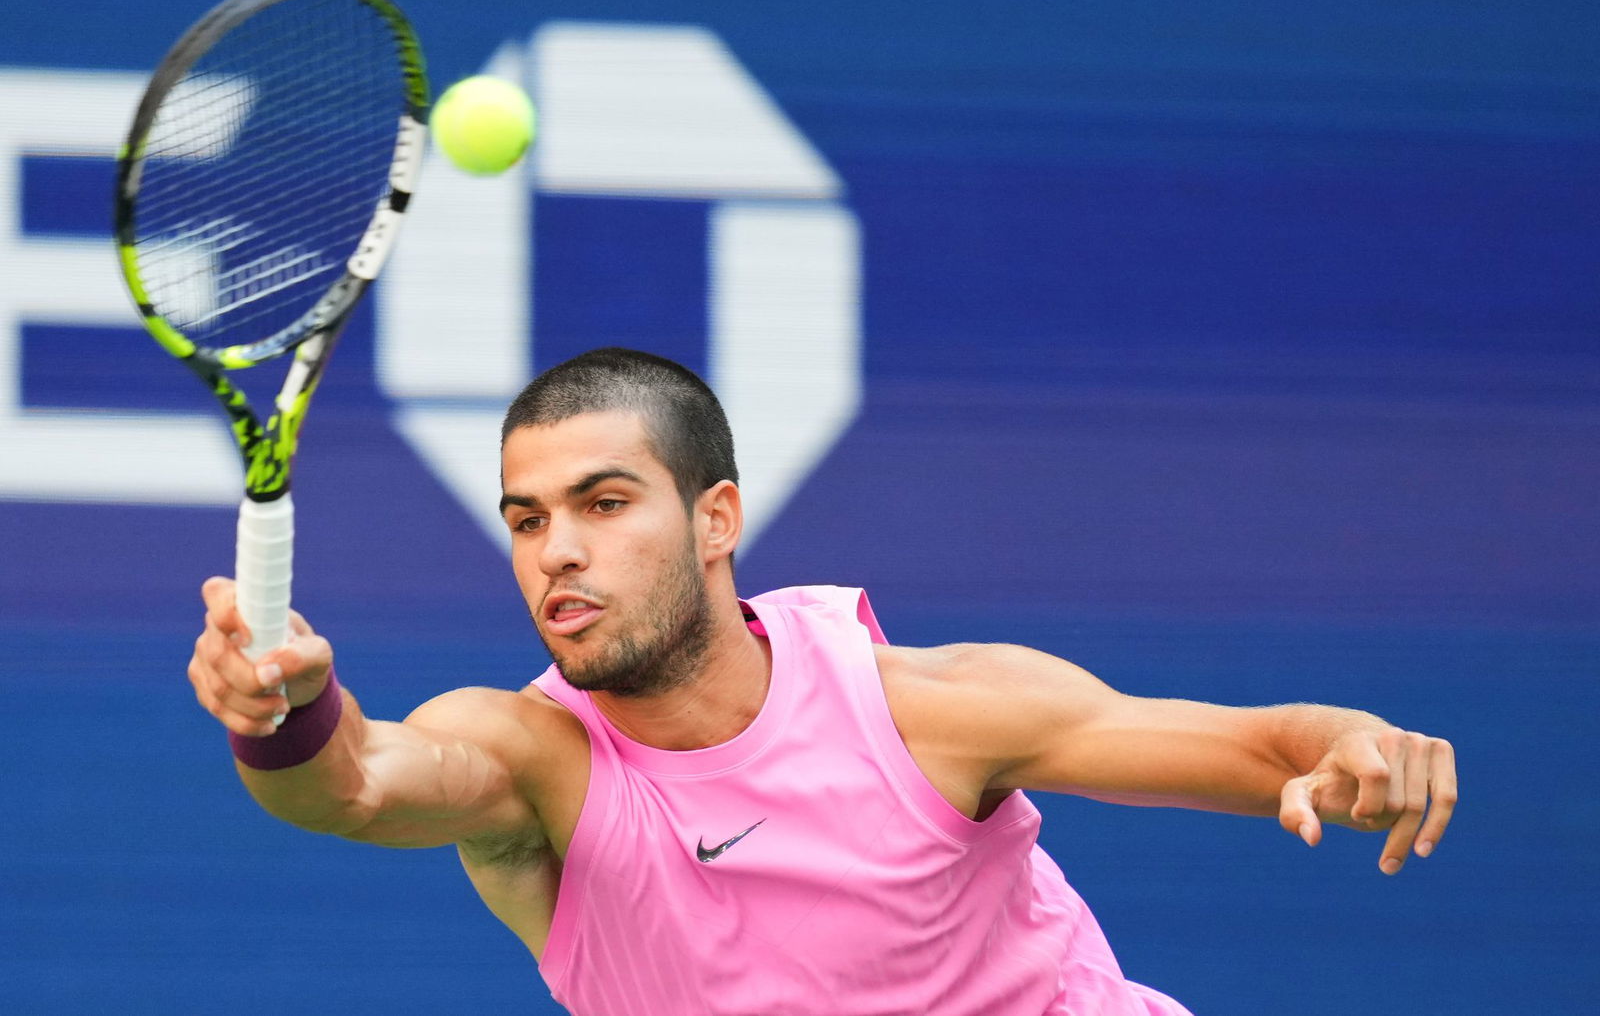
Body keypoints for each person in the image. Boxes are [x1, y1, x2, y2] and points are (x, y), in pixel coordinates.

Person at [189, 347, 1457, 1015]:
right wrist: (287, 709)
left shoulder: (926, 709)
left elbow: (1262, 746)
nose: (557, 550)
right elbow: (353, 785)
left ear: (715, 517)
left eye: (604, 502)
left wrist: (1353, 745)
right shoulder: (533, 764)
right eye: (526, 519)